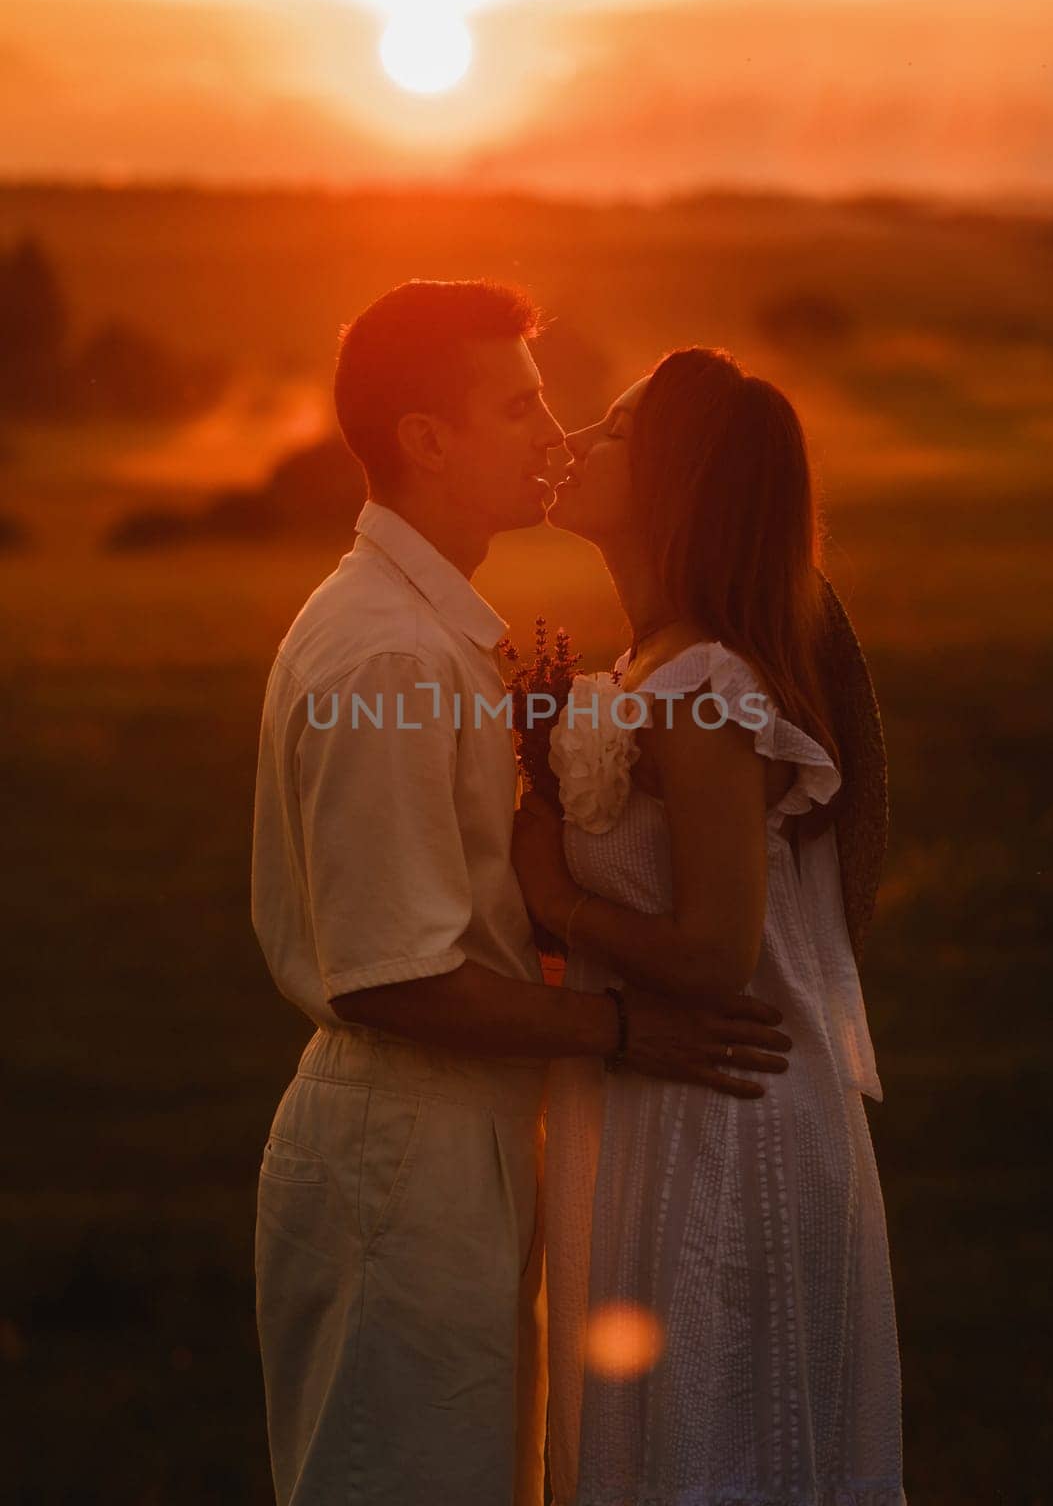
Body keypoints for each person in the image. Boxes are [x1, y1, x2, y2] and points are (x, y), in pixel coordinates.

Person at [250, 284, 793, 1506]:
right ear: (423, 440)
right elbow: (392, 974)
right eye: (517, 406)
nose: (552, 438)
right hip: (408, 1151)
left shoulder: (425, 632)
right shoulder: (387, 653)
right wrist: (620, 1029)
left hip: (455, 1141)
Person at [511, 348, 906, 1505]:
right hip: (654, 1106)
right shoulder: (649, 666)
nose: (577, 438)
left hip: (724, 1128)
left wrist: (556, 894)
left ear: (676, 483)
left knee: (727, 1451)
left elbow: (717, 950)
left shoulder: (705, 689)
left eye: (617, 430)